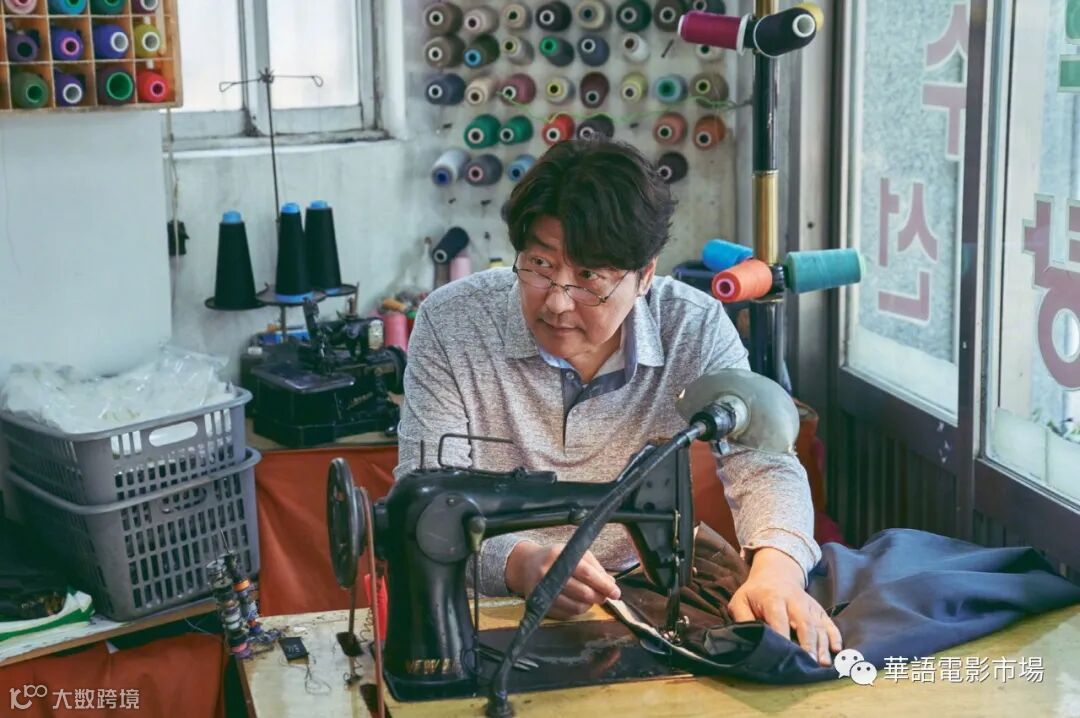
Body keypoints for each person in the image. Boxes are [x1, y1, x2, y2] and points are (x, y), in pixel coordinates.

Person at [394, 138, 842, 667]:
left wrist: (777, 570)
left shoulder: (691, 326)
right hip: (486, 609)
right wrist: (517, 563)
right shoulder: (453, 322)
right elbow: (427, 503)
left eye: (589, 278)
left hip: (636, 597)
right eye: (539, 264)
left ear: (645, 275)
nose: (557, 301)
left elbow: (763, 464)